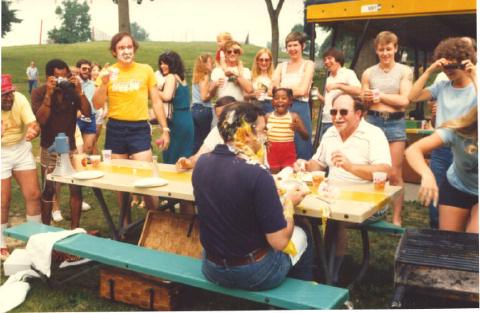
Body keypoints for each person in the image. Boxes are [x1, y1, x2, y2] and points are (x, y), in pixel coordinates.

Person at [193, 101, 313, 290]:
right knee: (302, 233)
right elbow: (279, 242)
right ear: (247, 134)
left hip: (211, 267)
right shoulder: (257, 172)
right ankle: (304, 296)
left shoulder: (202, 164)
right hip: (253, 273)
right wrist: (289, 203)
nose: (266, 136)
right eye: (263, 130)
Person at [293, 94, 391, 284]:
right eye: (334, 112)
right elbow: (318, 164)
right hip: (333, 196)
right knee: (296, 212)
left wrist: (351, 166)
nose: (337, 117)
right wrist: (304, 164)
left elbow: (385, 171)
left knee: (336, 218)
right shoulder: (330, 133)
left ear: (359, 114)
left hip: (370, 200)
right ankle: (313, 263)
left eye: (343, 112)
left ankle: (332, 276)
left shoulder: (373, 134)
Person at [93, 32, 170, 212]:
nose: (126, 51)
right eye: (121, 48)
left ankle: (155, 219)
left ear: (134, 49)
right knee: (121, 182)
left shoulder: (146, 70)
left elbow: (156, 101)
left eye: (129, 47)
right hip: (115, 128)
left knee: (147, 178)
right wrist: (104, 84)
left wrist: (165, 129)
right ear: (114, 52)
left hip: (139, 128)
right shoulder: (107, 73)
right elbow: (97, 104)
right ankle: (124, 224)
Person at [408, 37, 477, 229]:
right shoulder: (442, 86)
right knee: (437, 202)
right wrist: (430, 70)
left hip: (470, 145)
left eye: (452, 66)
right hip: (442, 146)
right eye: (445, 67)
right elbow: (412, 97)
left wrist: (474, 76)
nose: (448, 72)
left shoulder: (475, 85)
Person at [360, 31, 413, 226]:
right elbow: (363, 101)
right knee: (374, 170)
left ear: (395, 49)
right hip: (372, 121)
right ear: (376, 50)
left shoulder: (404, 71)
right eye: (381, 49)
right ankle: (374, 211)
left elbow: (404, 101)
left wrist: (379, 96)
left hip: (395, 122)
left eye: (388, 49)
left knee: (394, 173)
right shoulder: (368, 72)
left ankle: (396, 216)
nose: (385, 53)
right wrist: (365, 99)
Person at [31, 59, 91, 228]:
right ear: (49, 77)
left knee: (75, 188)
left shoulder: (71, 91)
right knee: (48, 189)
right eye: (58, 78)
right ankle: (45, 228)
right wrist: (49, 95)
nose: (62, 81)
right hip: (49, 145)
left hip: (70, 146)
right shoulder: (39, 92)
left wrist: (80, 92)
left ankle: (75, 229)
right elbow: (41, 119)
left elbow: (87, 112)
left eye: (65, 77)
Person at [405, 107, 477, 233]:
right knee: (449, 241)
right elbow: (413, 150)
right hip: (457, 187)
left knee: (475, 240)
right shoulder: (458, 130)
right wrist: (427, 175)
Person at [1, 74, 42, 260]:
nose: (8, 98)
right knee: (3, 200)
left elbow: (33, 123)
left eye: (9, 93)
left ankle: (34, 240)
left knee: (33, 194)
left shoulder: (20, 99)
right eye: (3, 95)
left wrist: (34, 130)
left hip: (20, 148)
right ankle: (1, 243)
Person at [272, 31, 315, 160]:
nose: (292, 49)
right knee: (282, 143)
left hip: (301, 109)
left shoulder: (308, 64)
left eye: (295, 45)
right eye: (289, 46)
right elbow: (271, 90)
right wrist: (290, 92)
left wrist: (281, 93)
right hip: (281, 110)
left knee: (302, 146)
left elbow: (303, 91)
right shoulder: (281, 66)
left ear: (303, 46)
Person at [176, 96, 236, 170]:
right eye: (219, 117)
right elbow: (199, 156)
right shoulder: (217, 130)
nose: (221, 120)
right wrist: (188, 162)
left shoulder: (249, 130)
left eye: (224, 115)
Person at [157, 51, 194, 164]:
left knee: (172, 153)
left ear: (173, 64)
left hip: (176, 119)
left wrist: (153, 90)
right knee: (184, 153)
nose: (162, 66)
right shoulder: (181, 78)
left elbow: (167, 96)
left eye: (165, 63)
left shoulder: (171, 77)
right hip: (187, 118)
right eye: (161, 63)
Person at [319, 48, 361, 139]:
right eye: (325, 59)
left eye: (329, 58)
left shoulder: (348, 73)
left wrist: (338, 86)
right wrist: (318, 96)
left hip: (342, 121)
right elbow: (328, 103)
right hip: (326, 121)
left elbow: (359, 91)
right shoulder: (328, 79)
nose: (326, 62)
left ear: (338, 60)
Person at [266, 87, 308, 174]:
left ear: (290, 101)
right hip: (272, 153)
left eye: (284, 98)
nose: (280, 100)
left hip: (288, 153)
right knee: (273, 177)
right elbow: (261, 134)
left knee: (288, 175)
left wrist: (298, 129)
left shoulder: (294, 116)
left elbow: (306, 137)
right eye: (276, 98)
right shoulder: (267, 116)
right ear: (272, 102)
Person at [191, 53, 219, 153]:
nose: (213, 65)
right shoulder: (205, 76)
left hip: (194, 109)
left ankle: (193, 160)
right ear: (205, 64)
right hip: (203, 109)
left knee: (196, 139)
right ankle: (202, 161)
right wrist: (214, 88)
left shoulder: (197, 77)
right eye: (211, 63)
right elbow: (204, 97)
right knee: (204, 141)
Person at [76, 59, 96, 154]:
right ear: (78, 69)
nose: (87, 71)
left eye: (89, 69)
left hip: (91, 118)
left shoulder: (93, 84)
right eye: (84, 69)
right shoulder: (73, 83)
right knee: (76, 148)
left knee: (88, 147)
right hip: (77, 118)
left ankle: (84, 167)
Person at [248, 48, 275, 113]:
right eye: (261, 60)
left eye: (267, 60)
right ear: (257, 61)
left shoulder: (275, 76)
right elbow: (244, 95)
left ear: (270, 61)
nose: (264, 62)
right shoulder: (251, 75)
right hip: (255, 104)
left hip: (270, 105)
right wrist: (253, 94)